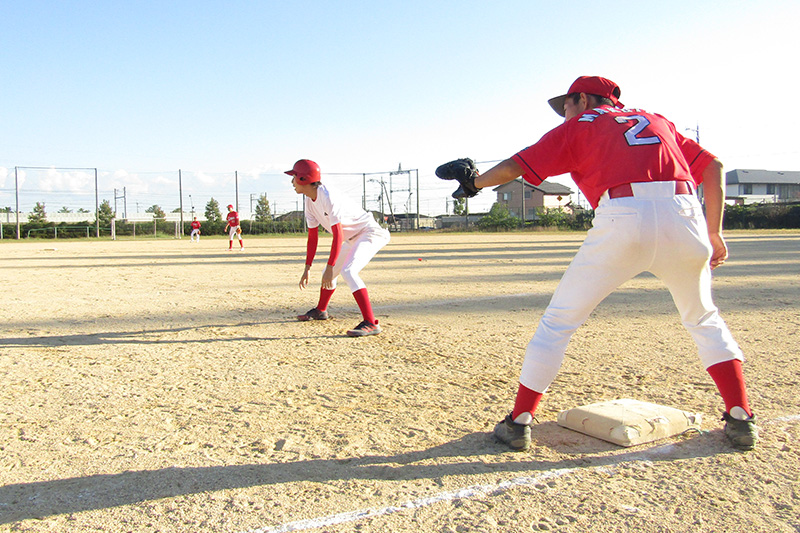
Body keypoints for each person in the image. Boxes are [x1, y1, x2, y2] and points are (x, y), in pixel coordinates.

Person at [443, 76, 757, 451]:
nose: (565, 113)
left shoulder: (581, 124)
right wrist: (715, 232)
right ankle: (741, 419)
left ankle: (519, 422)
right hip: (685, 216)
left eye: (567, 105)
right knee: (704, 318)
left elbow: (515, 166)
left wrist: (475, 183)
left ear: (583, 99)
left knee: (559, 322)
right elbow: (714, 166)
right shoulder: (657, 120)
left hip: (622, 215)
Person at [287, 159, 390, 337]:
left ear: (304, 179)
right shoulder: (309, 201)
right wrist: (307, 267)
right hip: (352, 238)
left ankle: (371, 323)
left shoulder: (327, 196)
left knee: (348, 271)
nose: (292, 181)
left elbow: (338, 235)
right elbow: (313, 236)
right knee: (330, 274)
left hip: (369, 232)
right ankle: (321, 310)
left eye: (294, 176)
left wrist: (329, 265)